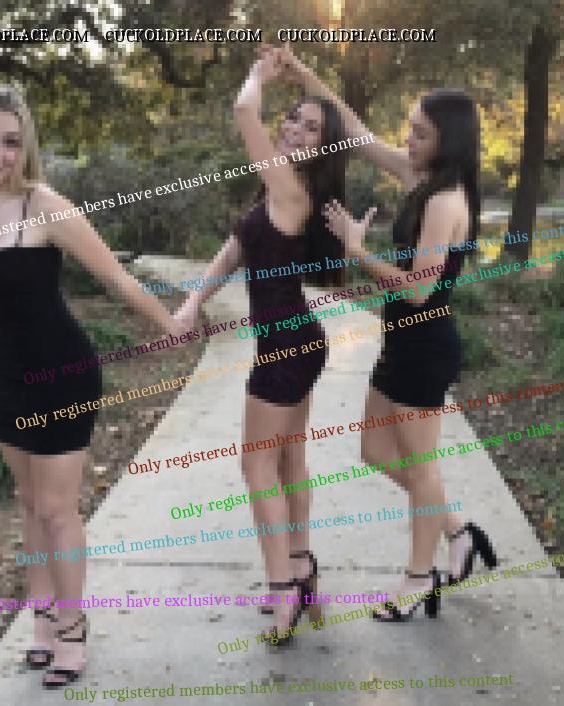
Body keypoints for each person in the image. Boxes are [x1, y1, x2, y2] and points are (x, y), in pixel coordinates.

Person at [0, 85, 180, 687]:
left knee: (57, 509)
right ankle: (41, 621)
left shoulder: (41, 205)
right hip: (7, 375)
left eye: (11, 142)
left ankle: (72, 627)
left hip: (63, 372)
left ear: (26, 149)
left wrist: (173, 327)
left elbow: (118, 280)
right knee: (29, 503)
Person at [276, 46, 497, 620]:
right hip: (400, 343)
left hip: (425, 347)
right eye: (411, 128)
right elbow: (356, 133)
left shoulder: (446, 202)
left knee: (422, 470)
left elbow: (420, 290)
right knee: (374, 451)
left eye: (421, 133)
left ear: (448, 140)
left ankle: (418, 579)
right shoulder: (420, 178)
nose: (408, 139)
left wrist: (357, 251)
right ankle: (457, 529)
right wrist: (306, 76)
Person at [174, 49, 349, 644]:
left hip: (285, 347)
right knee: (289, 460)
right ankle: (300, 566)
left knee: (256, 466)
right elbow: (232, 252)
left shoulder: (290, 186)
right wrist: (193, 302)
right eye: (294, 118)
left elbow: (244, 110)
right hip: (297, 339)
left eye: (312, 127)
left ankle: (282, 589)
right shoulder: (275, 190)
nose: (295, 128)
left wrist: (260, 76)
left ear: (324, 146)